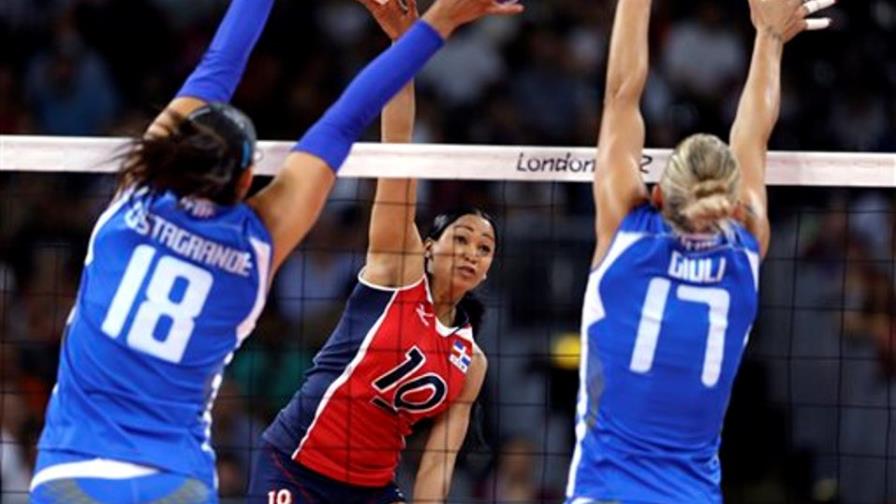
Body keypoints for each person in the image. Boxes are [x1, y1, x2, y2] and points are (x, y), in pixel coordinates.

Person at [28, 0, 522, 501]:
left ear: (167, 150)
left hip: (73, 467)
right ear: (247, 180)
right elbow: (343, 122)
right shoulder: (255, 247)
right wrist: (438, 23)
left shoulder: (132, 203)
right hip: (181, 478)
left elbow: (219, 65)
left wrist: (431, 27)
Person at [565, 0, 834, 502]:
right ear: (733, 204)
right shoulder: (744, 245)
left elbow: (621, 95)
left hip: (606, 489)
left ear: (660, 195)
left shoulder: (628, 228)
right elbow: (754, 135)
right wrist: (770, 37)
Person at [248, 1, 509, 502]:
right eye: (461, 238)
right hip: (296, 464)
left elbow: (437, 462)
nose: (472, 252)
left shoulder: (470, 360)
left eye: (485, 247)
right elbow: (397, 150)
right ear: (428, 248)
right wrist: (402, 47)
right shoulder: (397, 272)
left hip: (372, 490)